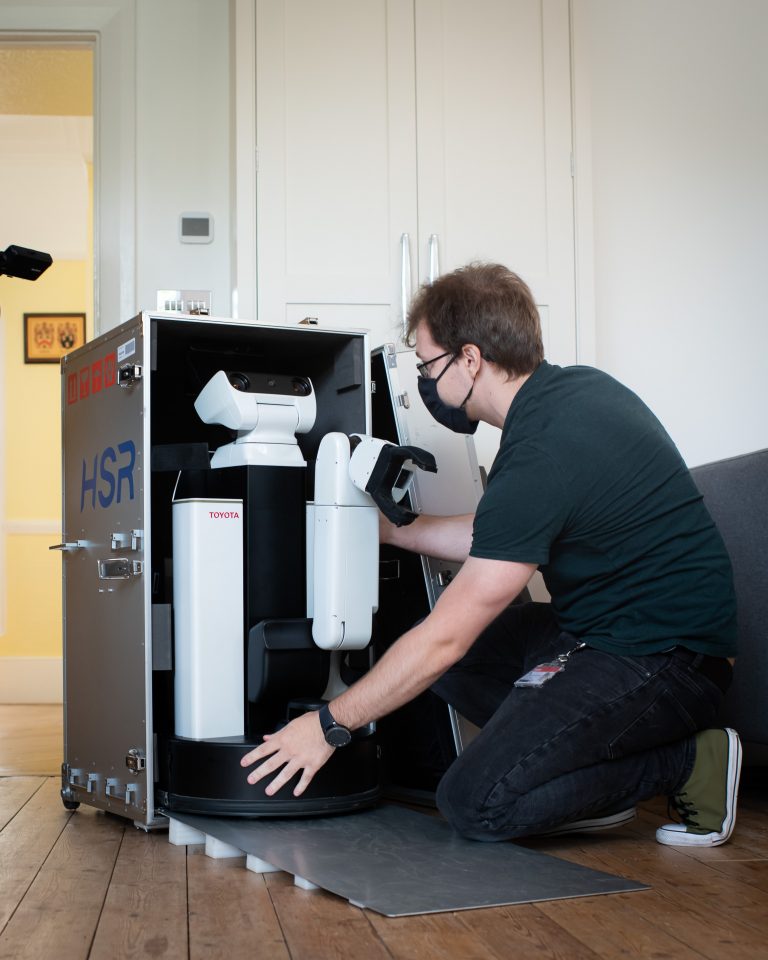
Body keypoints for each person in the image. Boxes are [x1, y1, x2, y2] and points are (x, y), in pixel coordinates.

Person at [242, 262, 741, 847]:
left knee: (475, 802)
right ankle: (566, 772)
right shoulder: (570, 394)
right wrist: (394, 532)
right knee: (451, 659)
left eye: (428, 365)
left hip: (670, 662)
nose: (426, 381)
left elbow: (445, 638)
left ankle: (691, 761)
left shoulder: (540, 451)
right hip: (605, 630)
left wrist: (328, 726)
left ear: (471, 359)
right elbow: (499, 535)